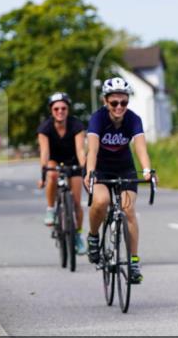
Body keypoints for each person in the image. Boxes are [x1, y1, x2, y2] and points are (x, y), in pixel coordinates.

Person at [84, 77, 154, 283]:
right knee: (101, 201)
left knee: (128, 209)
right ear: (105, 101)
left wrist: (147, 169)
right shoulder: (98, 119)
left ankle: (133, 261)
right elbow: (93, 149)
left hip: (125, 169)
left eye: (123, 102)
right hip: (101, 169)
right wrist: (90, 172)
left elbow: (141, 147)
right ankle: (94, 237)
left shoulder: (133, 119)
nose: (119, 107)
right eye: (114, 103)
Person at [37, 92, 87, 255]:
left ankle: (78, 235)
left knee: (77, 202)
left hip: (72, 162)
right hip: (54, 161)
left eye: (63, 108)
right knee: (52, 175)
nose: (60, 111)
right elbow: (44, 152)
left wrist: (85, 170)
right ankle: (51, 209)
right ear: (51, 110)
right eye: (56, 108)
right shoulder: (45, 128)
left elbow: (80, 150)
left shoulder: (76, 125)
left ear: (68, 109)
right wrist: (43, 174)